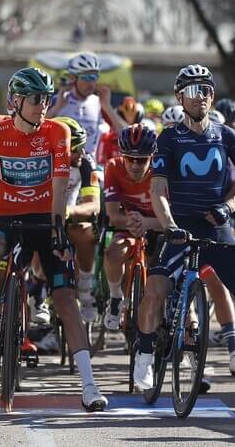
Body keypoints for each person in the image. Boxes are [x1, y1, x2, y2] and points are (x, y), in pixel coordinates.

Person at [133, 64, 235, 411]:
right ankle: (145, 354)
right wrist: (168, 224)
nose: (202, 97)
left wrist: (230, 206)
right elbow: (158, 190)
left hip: (218, 226)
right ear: (181, 97)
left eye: (207, 90)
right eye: (194, 91)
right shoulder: (170, 138)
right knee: (155, 291)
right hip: (181, 225)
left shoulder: (226, 135)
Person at [0, 68, 108, 412]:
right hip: (7, 217)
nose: (42, 105)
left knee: (65, 300)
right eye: (35, 99)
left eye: (46, 98)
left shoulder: (56, 131)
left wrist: (59, 225)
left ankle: (89, 384)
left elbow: (61, 184)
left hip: (46, 220)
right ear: (15, 101)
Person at [102, 124, 161, 330]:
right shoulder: (113, 167)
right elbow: (112, 214)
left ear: (151, 158)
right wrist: (134, 223)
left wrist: (147, 223)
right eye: (129, 158)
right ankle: (116, 296)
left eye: (142, 160)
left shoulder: (162, 171)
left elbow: (170, 220)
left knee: (160, 272)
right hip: (128, 223)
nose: (135, 165)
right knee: (112, 254)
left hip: (157, 225)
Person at [52, 116, 102, 323]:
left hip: (69, 213)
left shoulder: (86, 162)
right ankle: (37, 290)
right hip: (44, 215)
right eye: (76, 148)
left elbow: (94, 205)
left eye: (82, 146)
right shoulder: (41, 160)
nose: (82, 152)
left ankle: (85, 283)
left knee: (84, 229)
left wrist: (70, 210)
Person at [47, 52, 125, 158]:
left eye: (94, 77)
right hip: (63, 161)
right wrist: (57, 108)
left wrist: (108, 107)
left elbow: (126, 134)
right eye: (87, 77)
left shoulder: (99, 102)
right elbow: (37, 128)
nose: (91, 83)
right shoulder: (59, 99)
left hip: (91, 165)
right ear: (73, 78)